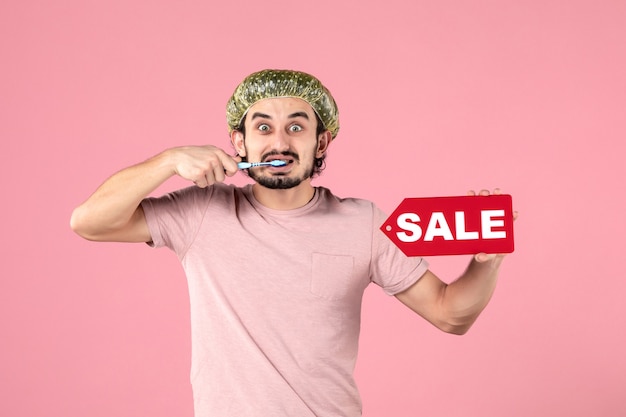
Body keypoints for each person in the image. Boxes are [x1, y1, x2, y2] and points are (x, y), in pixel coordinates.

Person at [71, 69, 514, 416]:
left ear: (321, 142)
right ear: (238, 140)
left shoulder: (363, 223)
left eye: (296, 127)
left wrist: (486, 263)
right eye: (262, 128)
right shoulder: (201, 211)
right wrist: (168, 161)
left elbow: (450, 314)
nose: (278, 141)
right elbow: (89, 222)